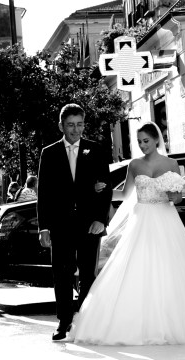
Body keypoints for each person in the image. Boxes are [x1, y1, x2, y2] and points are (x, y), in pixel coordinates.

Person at [70, 122, 185, 345]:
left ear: (156, 139)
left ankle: (174, 321)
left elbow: (179, 197)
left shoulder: (172, 163)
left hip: (165, 219)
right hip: (142, 220)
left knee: (172, 267)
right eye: (139, 142)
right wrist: (103, 189)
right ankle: (137, 321)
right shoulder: (135, 165)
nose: (142, 145)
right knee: (137, 267)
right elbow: (126, 194)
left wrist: (174, 196)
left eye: (146, 141)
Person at [37, 103, 113, 340]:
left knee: (89, 274)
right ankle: (64, 321)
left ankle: (88, 320)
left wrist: (101, 219)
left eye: (80, 124)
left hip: (89, 223)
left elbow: (106, 187)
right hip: (60, 225)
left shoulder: (96, 150)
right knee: (62, 273)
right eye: (70, 125)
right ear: (61, 125)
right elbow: (44, 194)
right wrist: (44, 227)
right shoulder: (49, 153)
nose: (76, 130)